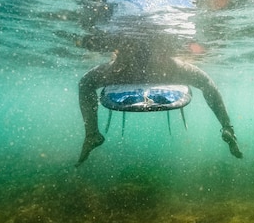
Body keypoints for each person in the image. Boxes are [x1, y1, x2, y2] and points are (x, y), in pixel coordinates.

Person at [76, 38, 242, 166]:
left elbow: (86, 84)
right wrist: (227, 125)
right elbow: (207, 85)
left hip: (125, 69)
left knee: (86, 83)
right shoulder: (174, 65)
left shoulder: (123, 50)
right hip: (163, 68)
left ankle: (92, 134)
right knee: (205, 82)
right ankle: (227, 128)